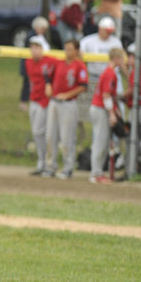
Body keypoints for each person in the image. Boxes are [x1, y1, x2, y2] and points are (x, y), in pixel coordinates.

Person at [46, 39, 89, 179]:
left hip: (68, 104)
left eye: (70, 49)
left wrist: (67, 95)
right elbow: (48, 76)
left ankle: (68, 167)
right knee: (50, 136)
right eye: (66, 49)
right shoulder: (59, 63)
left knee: (67, 138)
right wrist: (48, 86)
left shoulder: (79, 66)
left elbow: (83, 86)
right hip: (54, 101)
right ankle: (50, 166)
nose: (67, 52)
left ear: (76, 51)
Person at [79, 17, 123, 139]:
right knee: (98, 108)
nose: (108, 33)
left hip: (113, 77)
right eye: (106, 31)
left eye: (110, 31)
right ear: (100, 29)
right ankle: (98, 138)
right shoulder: (89, 40)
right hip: (96, 77)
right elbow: (79, 51)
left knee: (117, 107)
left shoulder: (116, 42)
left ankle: (115, 139)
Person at [89, 47, 125, 183]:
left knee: (101, 140)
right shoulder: (110, 73)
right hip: (100, 108)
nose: (122, 61)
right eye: (121, 58)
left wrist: (115, 111)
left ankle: (97, 172)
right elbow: (106, 96)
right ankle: (96, 173)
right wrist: (112, 114)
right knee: (100, 141)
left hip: (99, 108)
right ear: (116, 58)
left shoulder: (109, 72)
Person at [24, 36, 56, 176]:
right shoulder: (28, 62)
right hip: (34, 99)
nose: (34, 50)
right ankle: (41, 160)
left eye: (38, 47)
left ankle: (44, 162)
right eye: (32, 47)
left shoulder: (50, 61)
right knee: (36, 132)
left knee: (41, 132)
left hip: (45, 101)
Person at [18, 16, 50, 111]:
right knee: (27, 82)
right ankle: (23, 101)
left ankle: (32, 99)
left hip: (39, 63)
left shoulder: (39, 36)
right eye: (43, 28)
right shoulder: (32, 37)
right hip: (30, 63)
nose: (44, 31)